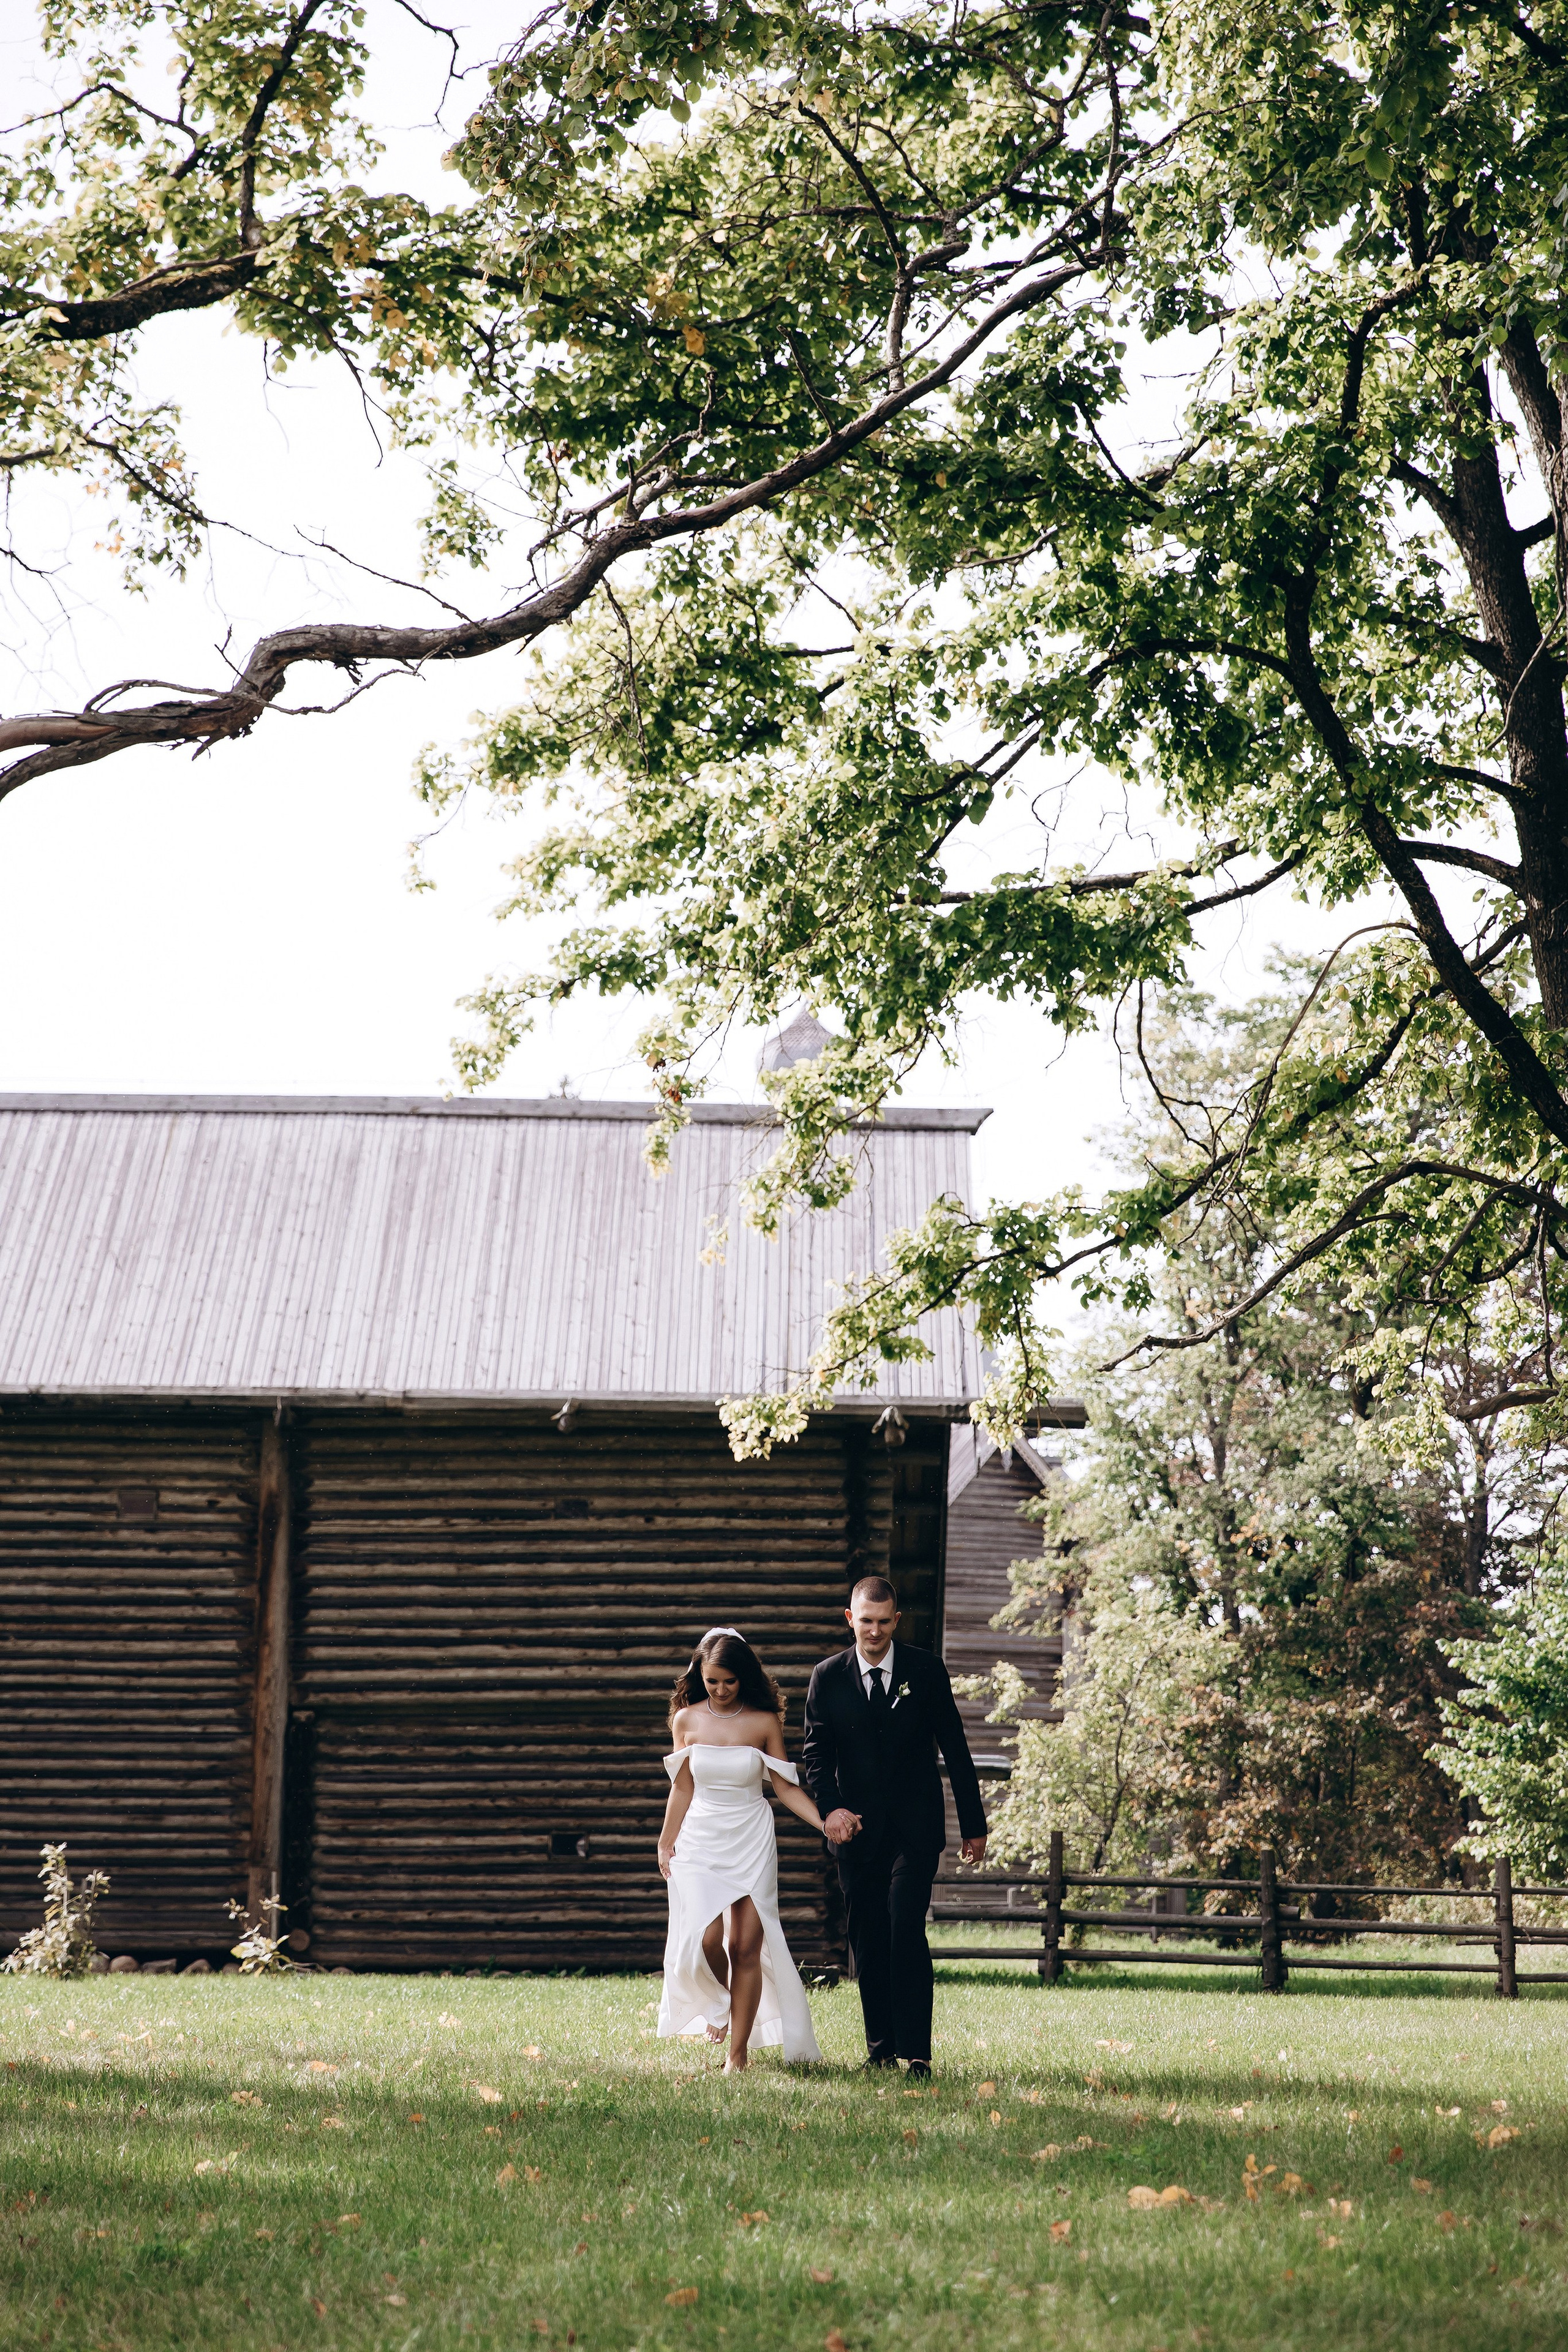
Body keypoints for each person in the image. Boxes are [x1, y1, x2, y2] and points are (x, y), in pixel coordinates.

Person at [801, 1574, 987, 2076]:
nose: (875, 1631)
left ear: (896, 1621)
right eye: (866, 1621)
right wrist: (831, 1810)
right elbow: (816, 1756)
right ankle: (881, 2051)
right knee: (868, 1936)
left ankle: (918, 2055)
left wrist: (975, 1825)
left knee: (905, 1925)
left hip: (914, 1827)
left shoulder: (925, 1671)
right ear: (850, 1619)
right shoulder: (828, 1676)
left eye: (884, 1622)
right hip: (857, 1832)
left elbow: (956, 1748)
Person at [656, 1627, 827, 2071]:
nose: (720, 1689)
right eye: (712, 1681)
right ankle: (724, 2001)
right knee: (706, 1939)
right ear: (701, 1676)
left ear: (744, 1677)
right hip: (699, 1839)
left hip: (751, 1834)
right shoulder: (686, 1720)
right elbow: (683, 1788)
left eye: (729, 1681)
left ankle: (738, 2055)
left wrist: (824, 1823)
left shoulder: (764, 1722)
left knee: (746, 1947)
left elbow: (786, 1788)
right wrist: (665, 1840)